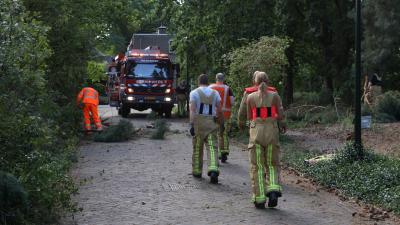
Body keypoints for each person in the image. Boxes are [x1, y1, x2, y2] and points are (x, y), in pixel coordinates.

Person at [244, 72, 286, 209]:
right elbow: (280, 115)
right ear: (268, 81)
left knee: (257, 167)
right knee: (272, 164)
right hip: (272, 132)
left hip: (256, 133)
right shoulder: (275, 96)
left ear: (255, 82)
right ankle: (273, 189)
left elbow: (250, 117)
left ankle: (260, 198)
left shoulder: (250, 97)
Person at [189, 74, 222, 184]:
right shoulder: (215, 93)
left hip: (199, 123)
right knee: (212, 147)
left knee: (198, 147)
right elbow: (219, 110)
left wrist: (191, 124)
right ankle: (213, 169)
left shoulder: (194, 93)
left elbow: (192, 110)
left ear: (198, 82)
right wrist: (220, 121)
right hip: (211, 123)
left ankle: (197, 171)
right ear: (208, 82)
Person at [210, 73, 234, 163]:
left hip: (213, 114)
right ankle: (224, 151)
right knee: (223, 133)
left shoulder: (210, 87)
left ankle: (218, 152)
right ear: (223, 79)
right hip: (225, 115)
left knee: (215, 134)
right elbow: (232, 102)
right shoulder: (227, 88)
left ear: (216, 78)